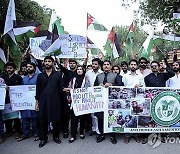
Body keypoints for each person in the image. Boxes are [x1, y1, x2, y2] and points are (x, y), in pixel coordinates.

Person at [144, 60, 175, 144]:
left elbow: (172, 73)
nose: (154, 67)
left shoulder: (163, 76)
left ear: (158, 67)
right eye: (152, 66)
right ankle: (148, 135)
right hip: (152, 100)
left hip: (161, 100)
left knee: (160, 117)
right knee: (151, 118)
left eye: (156, 66)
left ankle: (161, 135)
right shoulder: (147, 77)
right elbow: (146, 90)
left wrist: (165, 67)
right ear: (150, 67)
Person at [35, 56, 63, 148]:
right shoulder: (40, 76)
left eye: (49, 61)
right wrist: (37, 102)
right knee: (42, 120)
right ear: (43, 63)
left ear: (52, 63)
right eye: (45, 61)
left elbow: (60, 88)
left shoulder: (57, 75)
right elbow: (38, 90)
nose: (47, 63)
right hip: (43, 101)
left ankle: (56, 137)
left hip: (55, 101)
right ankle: (43, 138)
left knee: (56, 120)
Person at [94, 60, 117, 144]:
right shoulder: (98, 76)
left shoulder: (115, 75)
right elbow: (94, 87)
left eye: (108, 64)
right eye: (104, 64)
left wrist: (112, 85)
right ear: (102, 66)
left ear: (110, 66)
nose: (106, 66)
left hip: (111, 100)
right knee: (100, 118)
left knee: (111, 118)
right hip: (101, 100)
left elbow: (120, 85)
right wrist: (98, 86)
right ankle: (101, 135)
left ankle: (112, 136)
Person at [122, 59, 145, 144]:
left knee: (136, 117)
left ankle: (136, 135)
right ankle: (127, 136)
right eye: (131, 64)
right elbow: (123, 87)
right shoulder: (125, 76)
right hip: (128, 99)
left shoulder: (140, 76)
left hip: (137, 99)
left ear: (137, 66)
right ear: (129, 66)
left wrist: (139, 86)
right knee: (128, 116)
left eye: (134, 64)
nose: (133, 66)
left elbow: (144, 87)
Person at [17, 62, 39, 142]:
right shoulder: (24, 79)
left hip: (34, 101)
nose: (28, 68)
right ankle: (25, 134)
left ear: (34, 68)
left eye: (30, 67)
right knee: (25, 118)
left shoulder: (38, 77)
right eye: (27, 67)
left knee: (35, 119)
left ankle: (36, 133)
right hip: (26, 102)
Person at [64, 65, 86, 143]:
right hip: (74, 102)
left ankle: (81, 133)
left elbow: (89, 88)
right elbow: (69, 87)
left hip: (83, 102)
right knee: (74, 119)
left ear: (83, 71)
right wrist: (69, 90)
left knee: (82, 119)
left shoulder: (86, 79)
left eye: (81, 69)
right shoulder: (73, 80)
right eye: (78, 69)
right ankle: (73, 135)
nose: (79, 70)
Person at [1, 62, 22, 139]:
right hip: (5, 100)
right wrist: (3, 86)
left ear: (14, 69)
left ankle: (18, 131)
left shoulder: (18, 77)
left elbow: (21, 88)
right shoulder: (2, 77)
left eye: (10, 68)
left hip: (15, 100)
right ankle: (9, 130)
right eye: (8, 68)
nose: (9, 69)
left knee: (16, 117)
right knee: (6, 116)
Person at [85, 58, 102, 136]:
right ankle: (94, 129)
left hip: (100, 96)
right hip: (91, 95)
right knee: (92, 114)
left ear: (99, 65)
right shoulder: (88, 73)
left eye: (95, 64)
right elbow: (86, 84)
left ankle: (99, 130)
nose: (94, 65)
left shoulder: (101, 73)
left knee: (99, 114)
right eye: (93, 64)